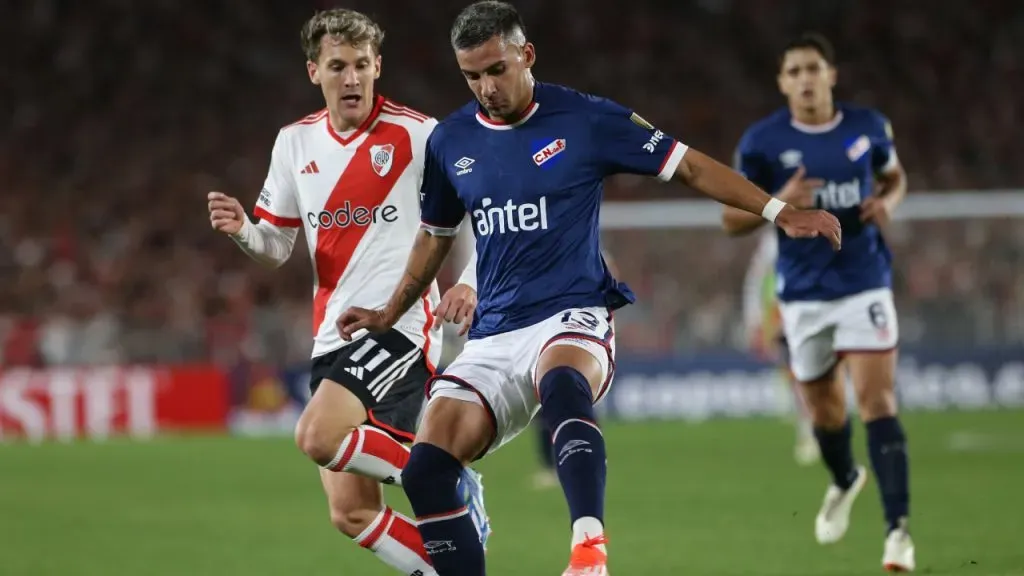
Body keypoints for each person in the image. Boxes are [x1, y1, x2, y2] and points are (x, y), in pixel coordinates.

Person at [336, 3, 839, 575]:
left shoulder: (585, 119)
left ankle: (588, 551)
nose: (486, 88)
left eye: (496, 70)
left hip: (571, 312)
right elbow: (433, 239)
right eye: (471, 76)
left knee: (564, 385)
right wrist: (389, 311)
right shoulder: (450, 141)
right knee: (426, 469)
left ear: (526, 55)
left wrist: (779, 211)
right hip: (494, 332)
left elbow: (691, 166)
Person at [206, 9, 489, 575]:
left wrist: (467, 282)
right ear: (315, 71)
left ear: (378, 66)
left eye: (363, 65)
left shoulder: (420, 135)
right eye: (339, 66)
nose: (353, 78)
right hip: (332, 333)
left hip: (400, 327)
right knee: (351, 513)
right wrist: (244, 232)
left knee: (316, 434)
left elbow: (486, 212)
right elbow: (276, 244)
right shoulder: (294, 143)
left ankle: (448, 475)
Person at [723, 32, 913, 572]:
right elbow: (729, 220)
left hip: (865, 282)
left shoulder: (868, 127)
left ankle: (898, 532)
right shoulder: (761, 143)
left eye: (813, 68)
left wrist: (889, 200)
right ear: (782, 82)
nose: (805, 79)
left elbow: (894, 175)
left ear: (831, 74)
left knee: (878, 404)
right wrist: (779, 203)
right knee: (828, 415)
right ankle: (844, 477)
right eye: (795, 71)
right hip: (804, 296)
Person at [741, 228, 820, 466]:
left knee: (808, 371)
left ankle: (813, 426)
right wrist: (755, 320)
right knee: (796, 371)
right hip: (782, 313)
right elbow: (756, 281)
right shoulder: (772, 241)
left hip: (809, 310)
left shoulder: (815, 231)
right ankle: (808, 430)